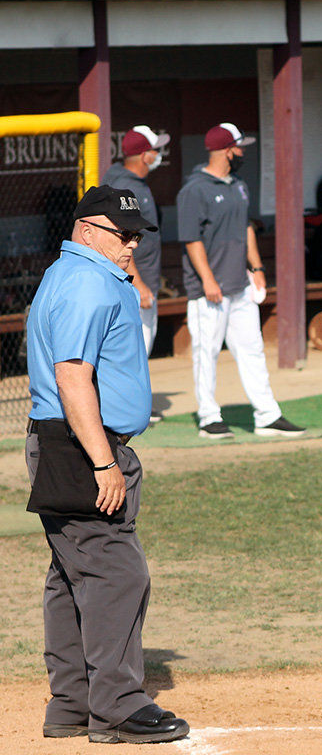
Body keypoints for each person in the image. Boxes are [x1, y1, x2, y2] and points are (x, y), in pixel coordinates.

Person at [25, 185, 189, 745]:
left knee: (73, 577)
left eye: (139, 235)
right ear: (89, 232)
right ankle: (117, 706)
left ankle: (71, 703)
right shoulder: (87, 284)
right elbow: (73, 378)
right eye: (125, 236)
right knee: (118, 574)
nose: (134, 246)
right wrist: (102, 462)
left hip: (67, 441)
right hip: (80, 446)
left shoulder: (68, 274)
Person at [177, 122, 305, 439]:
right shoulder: (193, 190)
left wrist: (258, 267)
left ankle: (267, 415)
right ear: (225, 149)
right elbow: (191, 240)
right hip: (208, 291)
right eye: (239, 146)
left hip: (240, 286)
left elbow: (246, 227)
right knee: (205, 353)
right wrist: (208, 279)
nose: (243, 151)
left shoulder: (238, 185)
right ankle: (208, 416)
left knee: (253, 350)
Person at [101, 125, 168, 363]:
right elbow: (120, 239)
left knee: (137, 353)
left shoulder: (133, 182)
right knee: (133, 355)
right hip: (131, 284)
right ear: (143, 155)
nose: (159, 155)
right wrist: (138, 283)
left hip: (139, 281)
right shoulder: (124, 187)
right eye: (155, 149)